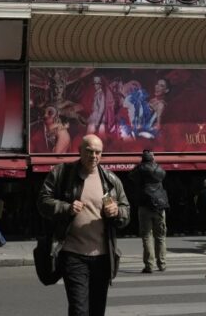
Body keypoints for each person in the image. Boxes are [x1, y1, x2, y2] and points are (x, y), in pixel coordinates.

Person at [37, 134, 130, 316]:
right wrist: (66, 207)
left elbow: (126, 210)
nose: (93, 156)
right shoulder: (62, 173)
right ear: (80, 151)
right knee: (79, 310)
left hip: (103, 257)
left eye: (98, 152)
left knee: (97, 310)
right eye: (89, 151)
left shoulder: (111, 180)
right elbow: (42, 201)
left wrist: (118, 212)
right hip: (73, 255)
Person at [129, 149, 169, 273]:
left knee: (146, 236)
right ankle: (162, 264)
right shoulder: (159, 170)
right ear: (153, 158)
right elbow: (163, 174)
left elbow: (131, 176)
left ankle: (149, 265)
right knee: (161, 236)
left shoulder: (140, 169)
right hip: (159, 206)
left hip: (145, 206)